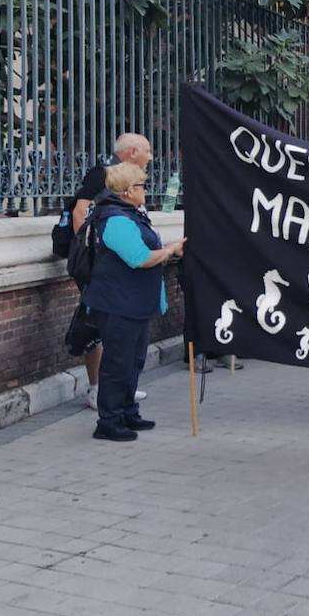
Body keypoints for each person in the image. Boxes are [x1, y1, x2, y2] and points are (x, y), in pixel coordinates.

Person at [83, 163, 184, 442]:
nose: (145, 190)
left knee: (134, 361)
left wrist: (168, 251)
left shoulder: (131, 214)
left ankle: (128, 411)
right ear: (128, 191)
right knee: (118, 363)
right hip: (118, 304)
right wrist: (169, 250)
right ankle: (109, 421)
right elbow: (139, 258)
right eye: (141, 186)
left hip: (133, 302)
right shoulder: (116, 219)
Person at [71, 132, 154, 410]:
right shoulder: (104, 174)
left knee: (116, 333)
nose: (150, 157)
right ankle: (97, 389)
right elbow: (80, 213)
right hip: (99, 268)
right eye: (147, 151)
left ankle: (119, 389)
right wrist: (92, 258)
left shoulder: (129, 178)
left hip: (115, 270)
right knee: (98, 325)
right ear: (132, 151)